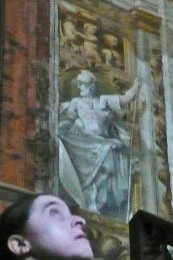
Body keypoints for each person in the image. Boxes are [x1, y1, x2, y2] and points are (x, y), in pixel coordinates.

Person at [58, 69, 140, 215]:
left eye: (83, 84)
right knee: (106, 151)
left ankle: (95, 200)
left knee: (110, 153)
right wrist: (61, 129)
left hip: (103, 142)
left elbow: (126, 98)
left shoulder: (104, 100)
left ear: (92, 86)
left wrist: (137, 85)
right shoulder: (76, 102)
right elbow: (68, 121)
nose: (80, 88)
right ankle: (88, 199)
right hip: (85, 141)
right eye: (79, 84)